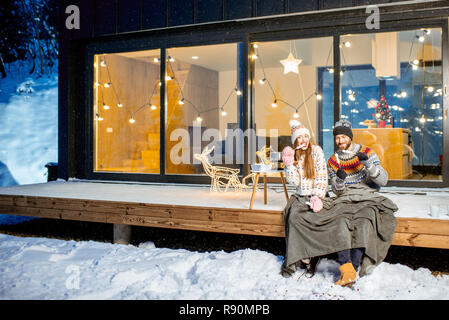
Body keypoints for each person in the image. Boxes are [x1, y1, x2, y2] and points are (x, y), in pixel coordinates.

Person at [327, 119, 398, 286]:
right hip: (345, 198)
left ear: (350, 137)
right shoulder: (333, 160)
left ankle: (355, 266)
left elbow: (384, 180)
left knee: (364, 222)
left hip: (367, 196)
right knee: (340, 221)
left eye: (344, 137)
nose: (340, 141)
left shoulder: (367, 152)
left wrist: (368, 166)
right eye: (337, 138)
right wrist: (338, 180)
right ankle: (346, 269)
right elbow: (337, 191)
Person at [280, 120, 328, 277]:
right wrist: (289, 164)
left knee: (312, 218)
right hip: (301, 196)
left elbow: (322, 176)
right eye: (299, 138)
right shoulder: (295, 155)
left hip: (317, 196)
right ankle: (293, 260)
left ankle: (310, 257)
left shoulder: (316, 151)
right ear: (295, 141)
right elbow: (295, 183)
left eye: (305, 137)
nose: (303, 141)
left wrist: (318, 196)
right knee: (293, 218)